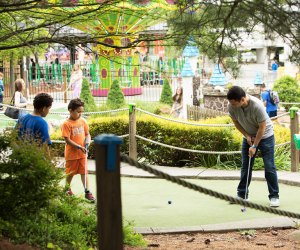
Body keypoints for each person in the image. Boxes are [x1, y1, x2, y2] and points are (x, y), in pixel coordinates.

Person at [227, 86, 280, 207]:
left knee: (269, 166)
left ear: (242, 100)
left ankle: (274, 196)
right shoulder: (231, 105)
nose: (232, 106)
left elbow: (262, 127)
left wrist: (255, 145)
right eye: (231, 103)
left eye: (234, 103)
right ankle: (242, 195)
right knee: (246, 166)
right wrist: (246, 135)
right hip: (249, 136)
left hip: (266, 136)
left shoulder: (257, 106)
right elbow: (236, 122)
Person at [61, 98, 95, 201]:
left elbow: (87, 134)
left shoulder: (83, 121)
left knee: (84, 172)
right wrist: (79, 147)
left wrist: (88, 141)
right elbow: (67, 140)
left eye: (81, 112)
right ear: (70, 110)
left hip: (82, 154)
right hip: (71, 155)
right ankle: (67, 189)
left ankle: (87, 191)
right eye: (78, 112)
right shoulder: (66, 124)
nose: (80, 114)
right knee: (70, 173)